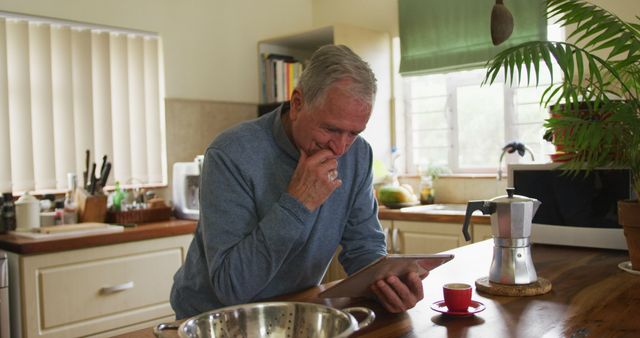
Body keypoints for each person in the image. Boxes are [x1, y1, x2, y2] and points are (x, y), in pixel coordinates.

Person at [170, 44, 426, 319]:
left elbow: (364, 246)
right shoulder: (230, 154)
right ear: (297, 104)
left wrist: (387, 284)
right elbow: (232, 287)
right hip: (213, 318)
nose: (341, 148)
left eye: (353, 132)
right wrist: (298, 202)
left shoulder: (359, 154)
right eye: (330, 128)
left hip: (296, 310)